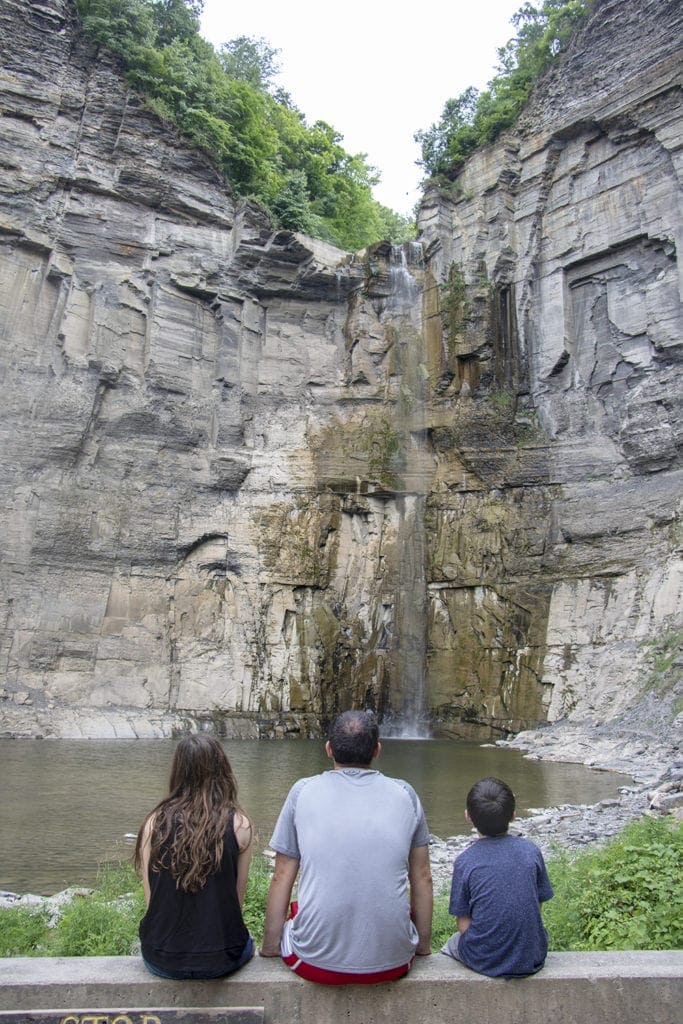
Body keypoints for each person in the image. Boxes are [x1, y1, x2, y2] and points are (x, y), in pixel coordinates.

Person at [260, 709, 433, 984]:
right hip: (395, 963)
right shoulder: (406, 794)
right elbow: (422, 876)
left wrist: (270, 946)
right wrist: (422, 947)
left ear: (328, 749)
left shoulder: (302, 791)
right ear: (377, 750)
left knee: (297, 912)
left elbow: (282, 875)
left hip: (313, 963)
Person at [134, 733, 254, 979]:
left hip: (161, 956)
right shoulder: (239, 825)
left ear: (177, 771)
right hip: (221, 958)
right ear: (223, 771)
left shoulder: (154, 823)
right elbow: (235, 903)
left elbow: (152, 901)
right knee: (247, 940)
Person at [442, 776, 553, 978]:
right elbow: (537, 906)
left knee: (451, 943)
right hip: (532, 956)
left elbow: (463, 924)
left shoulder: (465, 861)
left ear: (468, 817)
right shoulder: (531, 851)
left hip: (484, 960)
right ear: (513, 815)